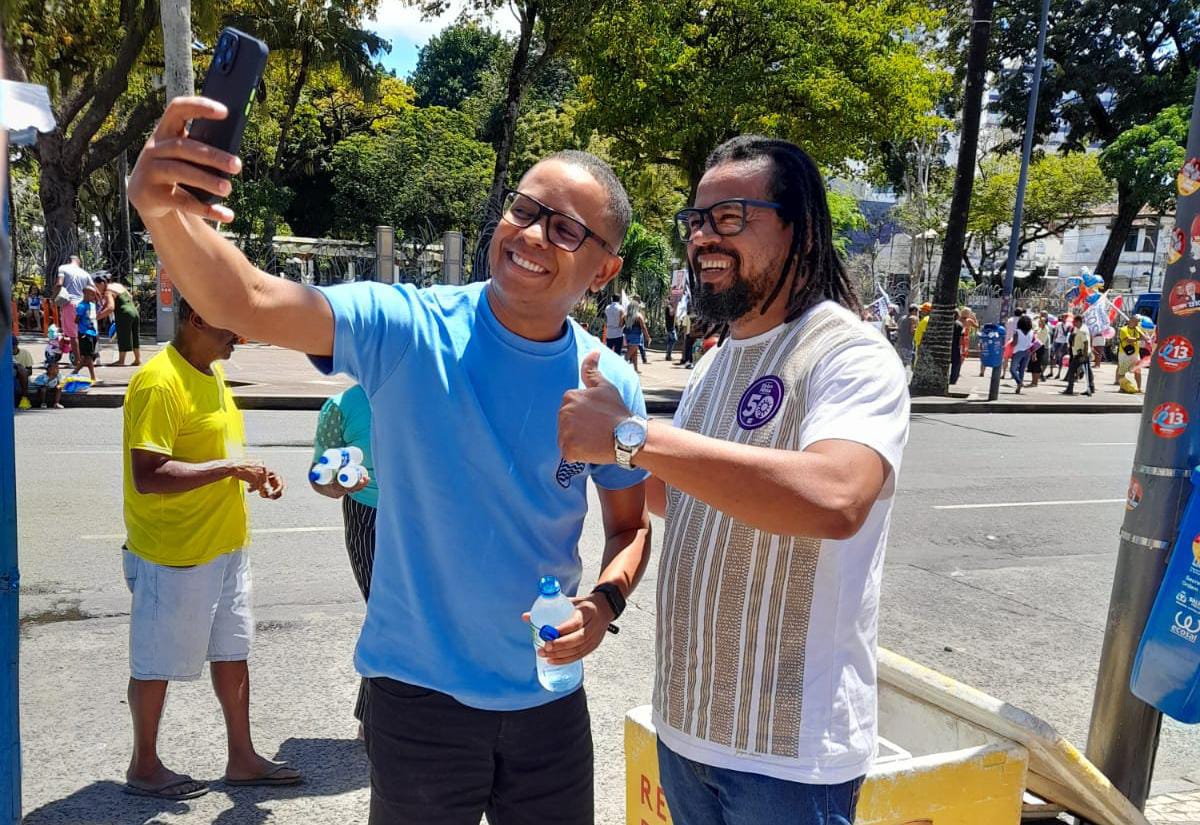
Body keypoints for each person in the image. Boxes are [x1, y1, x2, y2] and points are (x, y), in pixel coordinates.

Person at [129, 97, 652, 824]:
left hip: (548, 699)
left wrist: (605, 605)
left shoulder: (608, 383)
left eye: (566, 229)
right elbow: (245, 298)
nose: (532, 234)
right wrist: (163, 211)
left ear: (604, 269)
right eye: (525, 209)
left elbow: (631, 526)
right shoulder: (408, 327)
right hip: (419, 702)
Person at [560, 135, 909, 825]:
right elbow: (688, 495)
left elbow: (836, 497)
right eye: (697, 221)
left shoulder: (849, 351)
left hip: (788, 760)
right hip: (687, 733)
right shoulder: (718, 362)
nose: (704, 239)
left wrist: (634, 435)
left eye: (730, 218)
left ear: (799, 230)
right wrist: (594, 456)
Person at [121, 297, 298, 800]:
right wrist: (228, 470)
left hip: (225, 545)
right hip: (175, 552)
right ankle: (144, 764)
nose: (238, 337)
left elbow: (212, 453)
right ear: (198, 318)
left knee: (232, 652)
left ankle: (242, 758)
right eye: (230, 325)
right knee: (155, 661)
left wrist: (252, 475)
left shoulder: (210, 374)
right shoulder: (160, 381)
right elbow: (149, 474)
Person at [310, 385, 376, 734]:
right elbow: (320, 474)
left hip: (427, 514)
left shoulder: (428, 387)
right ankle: (373, 716)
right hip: (369, 515)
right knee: (383, 611)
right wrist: (334, 485)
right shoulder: (340, 406)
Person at [97, 274, 142, 366]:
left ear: (102, 283)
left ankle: (121, 361)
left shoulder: (108, 291)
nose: (97, 288)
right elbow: (130, 296)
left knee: (123, 337)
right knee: (134, 336)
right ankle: (137, 359)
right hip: (134, 311)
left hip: (123, 313)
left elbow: (110, 307)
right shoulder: (118, 286)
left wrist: (96, 317)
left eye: (97, 286)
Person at [55, 254, 93, 363]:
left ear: (68, 261)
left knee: (73, 335)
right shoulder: (85, 273)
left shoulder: (63, 268)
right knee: (84, 331)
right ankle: (89, 356)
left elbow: (59, 284)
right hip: (83, 305)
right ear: (79, 262)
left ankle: (77, 360)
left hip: (70, 304)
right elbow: (93, 289)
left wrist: (54, 297)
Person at [70, 285, 100, 383]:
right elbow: (76, 320)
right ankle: (93, 377)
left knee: (88, 356)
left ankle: (75, 372)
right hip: (85, 333)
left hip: (93, 333)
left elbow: (94, 319)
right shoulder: (81, 306)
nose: (93, 296)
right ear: (85, 294)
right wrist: (83, 327)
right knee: (88, 356)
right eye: (91, 294)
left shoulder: (92, 305)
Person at [1063, 313, 1094, 396]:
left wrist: (1084, 355)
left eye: (1075, 322)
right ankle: (1090, 387)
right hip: (1080, 353)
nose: (1074, 324)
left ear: (1079, 321)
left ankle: (1070, 388)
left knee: (1072, 370)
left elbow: (1086, 343)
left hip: (1081, 354)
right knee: (1088, 371)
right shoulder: (1081, 328)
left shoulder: (1082, 330)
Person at [1117, 313, 1146, 392]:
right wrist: (1138, 338)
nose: (1137, 323)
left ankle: (1139, 388)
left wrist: (1143, 334)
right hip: (1124, 353)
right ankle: (1122, 387)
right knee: (1122, 371)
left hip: (1135, 353)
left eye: (1138, 322)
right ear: (1130, 321)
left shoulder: (1137, 329)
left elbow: (1144, 337)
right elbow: (1128, 339)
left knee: (1138, 370)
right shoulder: (1123, 329)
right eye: (1136, 321)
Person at [623, 299, 651, 373]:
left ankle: (635, 369)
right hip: (635, 336)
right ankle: (621, 367)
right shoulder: (638, 316)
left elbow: (621, 325)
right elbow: (643, 327)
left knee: (634, 353)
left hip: (628, 335)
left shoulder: (625, 316)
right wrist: (647, 337)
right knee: (629, 353)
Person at [1009, 314, 1034, 393]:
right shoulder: (1032, 332)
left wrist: (1010, 342)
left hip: (1018, 351)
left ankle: (1019, 382)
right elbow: (1032, 343)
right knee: (1022, 370)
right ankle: (1018, 388)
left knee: (1012, 369)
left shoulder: (1017, 331)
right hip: (1027, 352)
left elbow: (1014, 343)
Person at [1029, 313, 1050, 388]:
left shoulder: (1045, 328)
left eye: (1041, 322)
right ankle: (1032, 381)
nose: (1040, 322)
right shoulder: (1038, 328)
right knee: (1033, 365)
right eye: (1039, 322)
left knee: (1037, 365)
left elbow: (1043, 323)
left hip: (1040, 348)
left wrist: (1041, 317)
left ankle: (1035, 382)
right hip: (1034, 347)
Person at [895, 304, 917, 372]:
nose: (917, 313)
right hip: (907, 344)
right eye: (916, 311)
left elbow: (897, 328)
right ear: (913, 311)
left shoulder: (902, 318)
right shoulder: (913, 319)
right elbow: (912, 331)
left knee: (900, 363)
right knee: (907, 365)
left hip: (899, 343)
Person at [11, 337, 32, 408]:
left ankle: (24, 398)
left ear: (17, 345)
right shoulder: (4, 354)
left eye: (13, 346)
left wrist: (20, 372)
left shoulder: (25, 353)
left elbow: (30, 371)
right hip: (8, 377)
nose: (12, 348)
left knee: (21, 369)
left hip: (22, 378)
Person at [1051, 313, 1071, 379]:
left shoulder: (1069, 325)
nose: (1064, 318)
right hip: (1057, 341)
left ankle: (1059, 373)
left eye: (1065, 317)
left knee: (1061, 358)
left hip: (1064, 342)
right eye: (1063, 317)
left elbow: (1067, 334)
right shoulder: (1058, 324)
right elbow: (1056, 333)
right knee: (1054, 356)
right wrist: (1054, 341)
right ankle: (1052, 372)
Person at [950, 309, 965, 385]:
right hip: (956, 346)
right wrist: (962, 349)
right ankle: (953, 380)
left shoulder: (947, 323)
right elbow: (962, 338)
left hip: (947, 346)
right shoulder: (959, 324)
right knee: (956, 364)